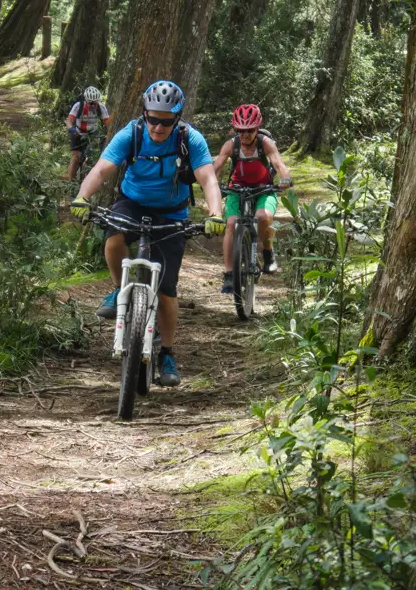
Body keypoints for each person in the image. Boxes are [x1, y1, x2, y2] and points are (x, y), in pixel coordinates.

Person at [69, 81, 225, 387]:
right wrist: (82, 197)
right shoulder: (133, 132)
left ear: (177, 118)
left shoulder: (189, 139)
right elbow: (102, 169)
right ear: (145, 114)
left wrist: (216, 213)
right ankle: (118, 289)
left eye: (166, 121)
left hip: (172, 213)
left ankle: (166, 353)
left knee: (166, 289)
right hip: (132, 203)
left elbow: (208, 179)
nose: (157, 127)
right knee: (114, 238)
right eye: (153, 118)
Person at [212, 104, 293, 294]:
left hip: (264, 189)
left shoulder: (265, 144)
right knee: (231, 224)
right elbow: (217, 166)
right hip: (236, 189)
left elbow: (279, 164)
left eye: (249, 130)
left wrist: (285, 179)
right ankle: (230, 274)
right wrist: (211, 183)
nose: (244, 134)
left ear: (257, 129)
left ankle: (268, 252)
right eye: (240, 130)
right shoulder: (232, 145)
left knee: (263, 216)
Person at [63, 86, 110, 182]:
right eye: (91, 103)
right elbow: (69, 121)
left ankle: (86, 181)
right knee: (75, 158)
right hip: (77, 132)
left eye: (95, 103)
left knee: (89, 159)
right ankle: (71, 184)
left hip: (92, 134)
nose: (93, 105)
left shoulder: (101, 107)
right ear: (86, 100)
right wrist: (72, 129)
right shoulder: (78, 106)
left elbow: (107, 123)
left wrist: (108, 134)